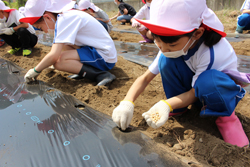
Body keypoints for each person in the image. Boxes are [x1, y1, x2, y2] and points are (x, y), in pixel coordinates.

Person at [112, 0, 250, 148]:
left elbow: (196, 92)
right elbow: (145, 78)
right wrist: (127, 102)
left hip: (218, 92)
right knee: (166, 60)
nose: (164, 48)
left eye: (171, 45)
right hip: (195, 89)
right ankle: (179, 108)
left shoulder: (211, 51)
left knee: (209, 81)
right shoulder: (171, 45)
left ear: (197, 33)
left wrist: (166, 104)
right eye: (158, 41)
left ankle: (226, 118)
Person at [21, 0, 117, 87]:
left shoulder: (65, 19)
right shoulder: (66, 16)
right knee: (64, 45)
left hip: (105, 57)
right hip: (98, 51)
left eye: (40, 28)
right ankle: (83, 71)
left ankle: (101, 75)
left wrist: (35, 70)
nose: (44, 31)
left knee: (59, 61)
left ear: (47, 18)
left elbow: (54, 55)